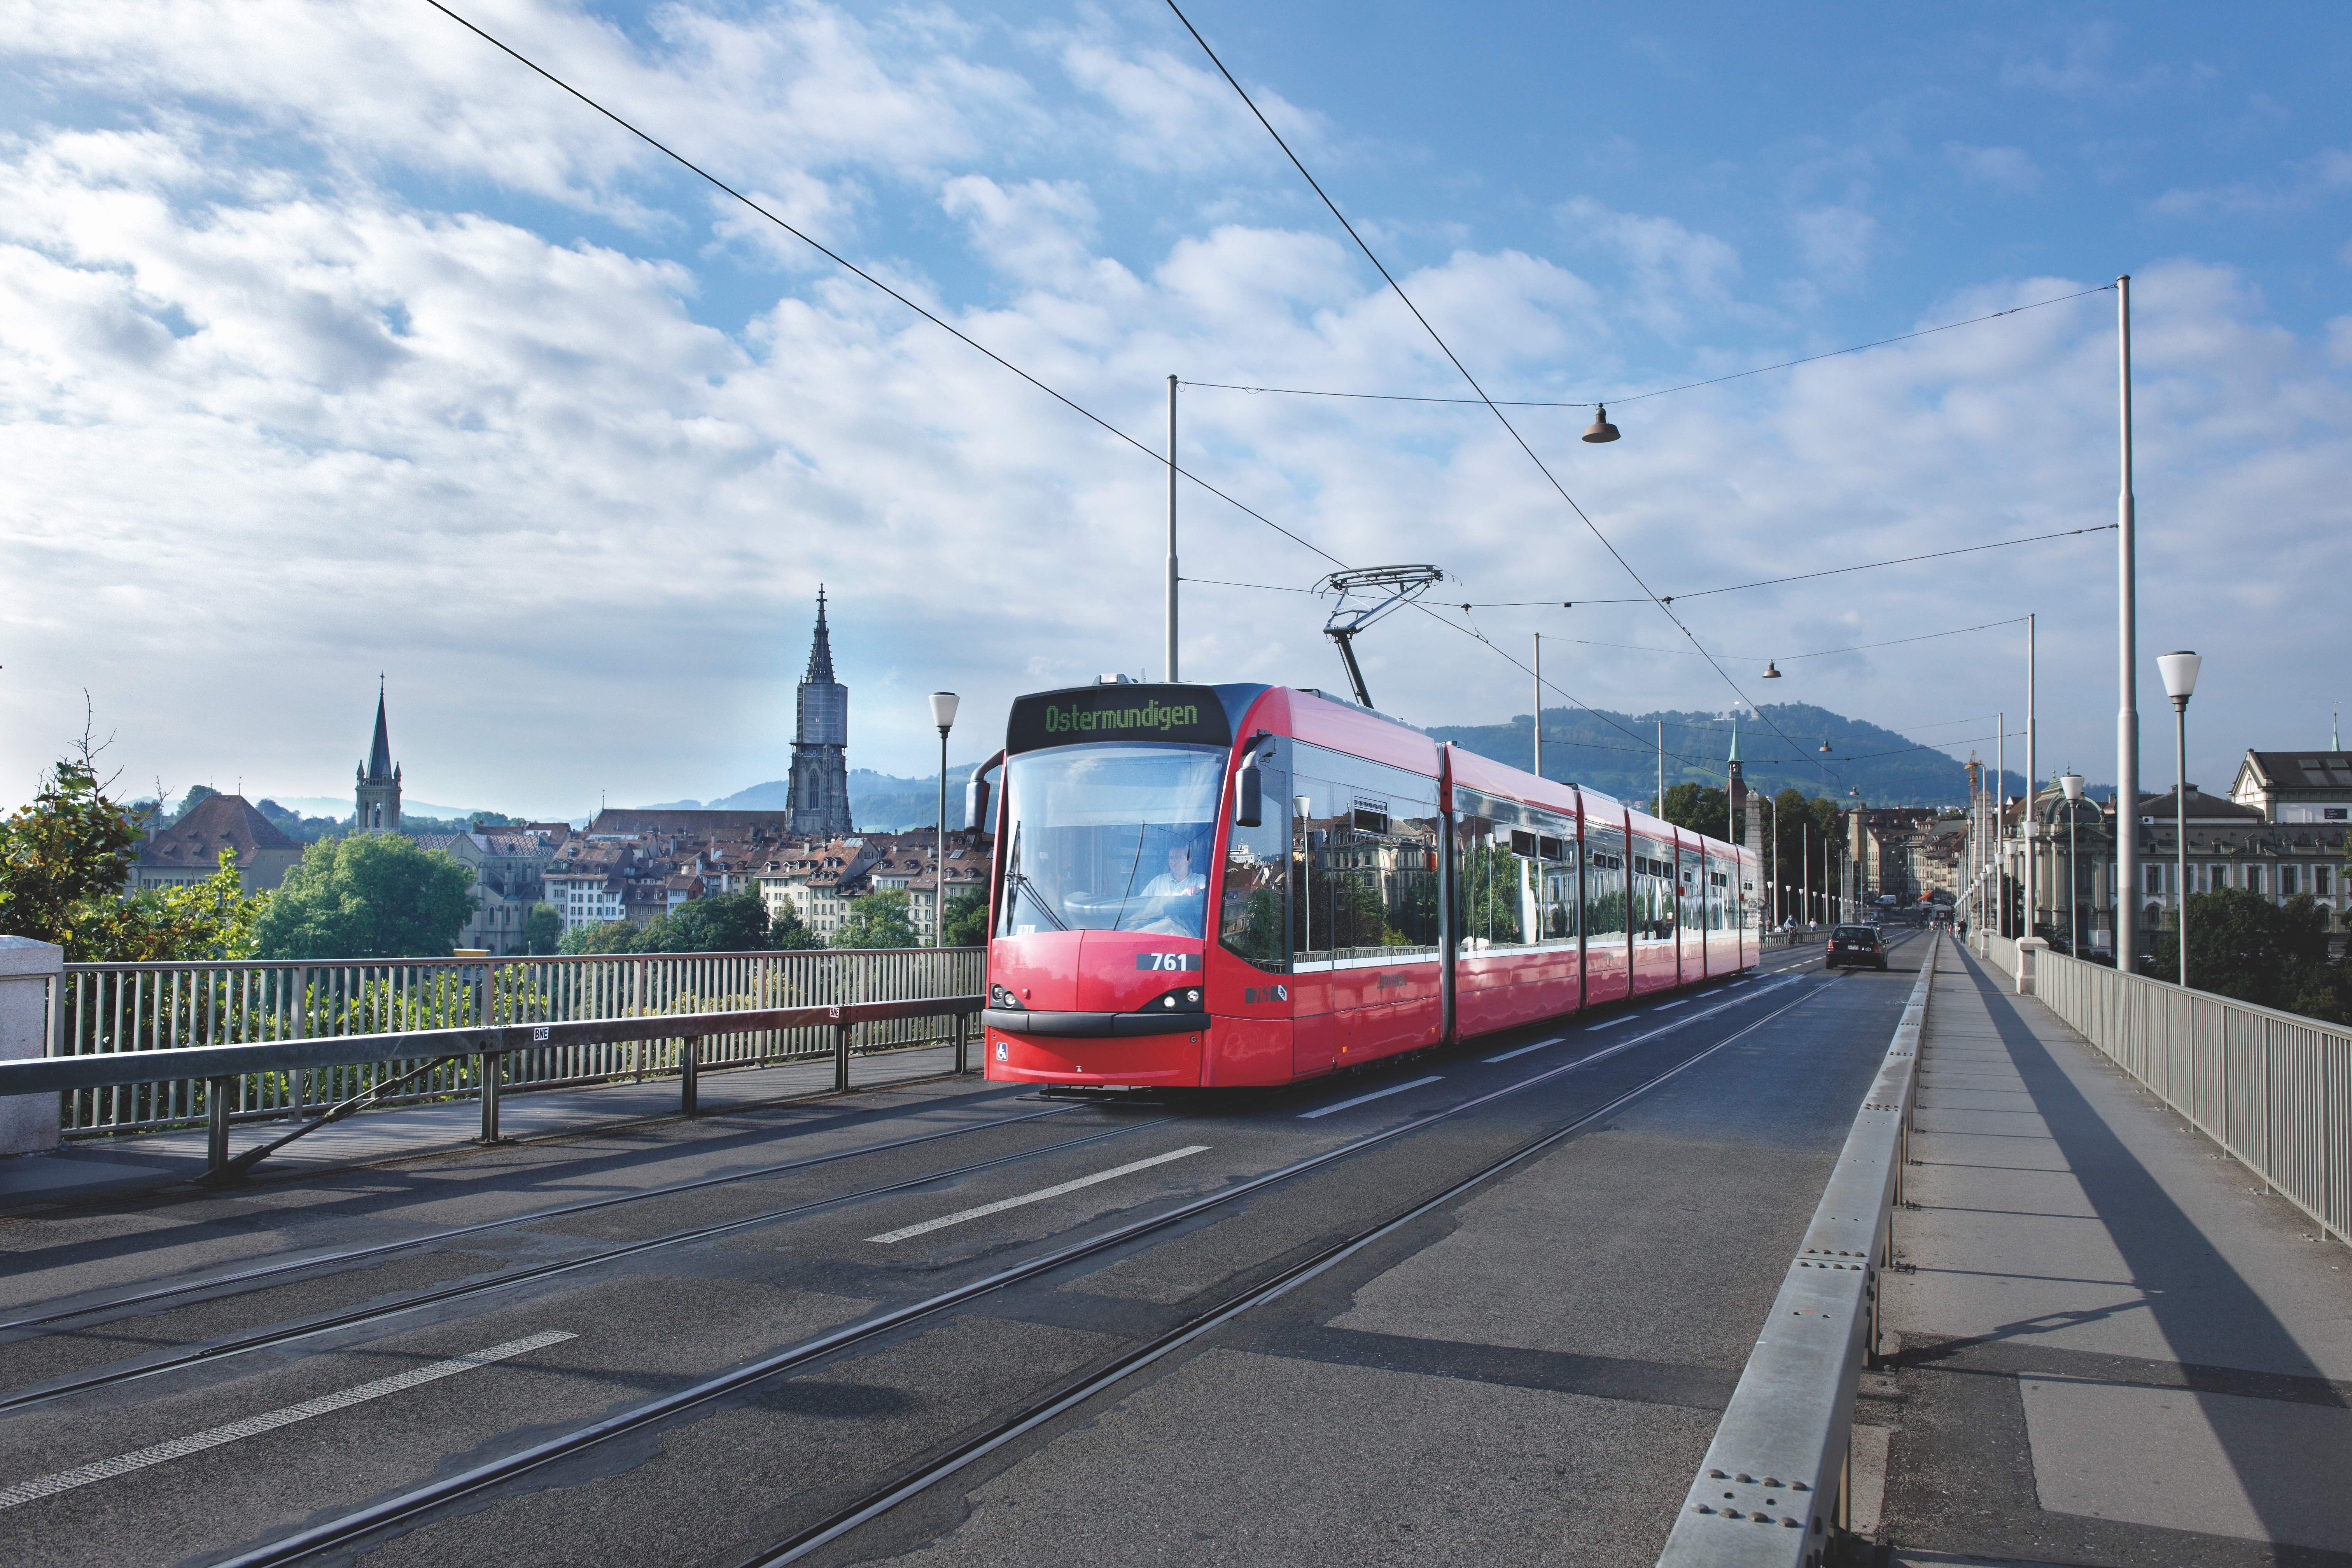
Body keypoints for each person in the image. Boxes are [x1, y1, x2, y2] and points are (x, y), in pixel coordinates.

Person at [1137, 840, 1208, 935]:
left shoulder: (1199, 880)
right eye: (1172, 858)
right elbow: (1141, 905)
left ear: (1189, 861)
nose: (1175, 862)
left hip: (1187, 935)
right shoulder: (1158, 881)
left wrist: (1198, 891)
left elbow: (1209, 893)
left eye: (1178, 857)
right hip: (1157, 936)